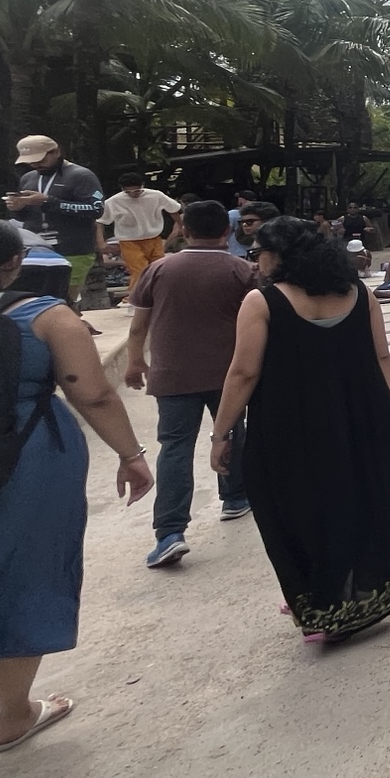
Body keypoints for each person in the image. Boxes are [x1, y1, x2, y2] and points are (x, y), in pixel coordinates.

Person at [0, 216, 152, 754]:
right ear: (14, 264)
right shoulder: (45, 315)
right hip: (25, 459)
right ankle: (13, 716)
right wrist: (131, 454)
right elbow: (92, 393)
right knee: (21, 573)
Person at [209, 217, 390, 644]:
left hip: (289, 430)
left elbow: (243, 373)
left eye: (258, 253)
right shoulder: (359, 294)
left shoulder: (263, 302)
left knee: (298, 510)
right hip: (363, 420)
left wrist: (221, 434)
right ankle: (360, 597)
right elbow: (382, 357)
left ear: (278, 255)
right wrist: (376, 411)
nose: (255, 262)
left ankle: (319, 600)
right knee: (359, 501)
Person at [121, 198, 259, 567]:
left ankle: (169, 531)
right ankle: (234, 497)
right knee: (232, 432)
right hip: (229, 374)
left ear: (183, 229)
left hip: (172, 374)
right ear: (227, 231)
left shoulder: (158, 269)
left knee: (175, 447)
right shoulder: (243, 271)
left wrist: (136, 361)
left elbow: (139, 324)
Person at [3, 135, 104, 302]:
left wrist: (49, 201)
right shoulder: (28, 178)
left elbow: (96, 209)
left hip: (72, 249)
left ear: (56, 152)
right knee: (36, 300)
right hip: (35, 248)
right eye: (30, 161)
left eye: (40, 159)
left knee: (65, 301)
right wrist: (18, 208)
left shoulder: (81, 175)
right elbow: (26, 215)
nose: (35, 164)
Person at [98, 172, 182, 286]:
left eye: (136, 191)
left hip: (153, 238)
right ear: (122, 189)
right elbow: (99, 221)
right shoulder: (114, 201)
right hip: (129, 241)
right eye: (128, 192)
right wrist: (101, 242)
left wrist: (180, 226)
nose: (133, 195)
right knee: (140, 271)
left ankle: (157, 295)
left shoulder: (155, 195)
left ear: (142, 186)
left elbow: (173, 209)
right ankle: (136, 298)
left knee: (158, 270)